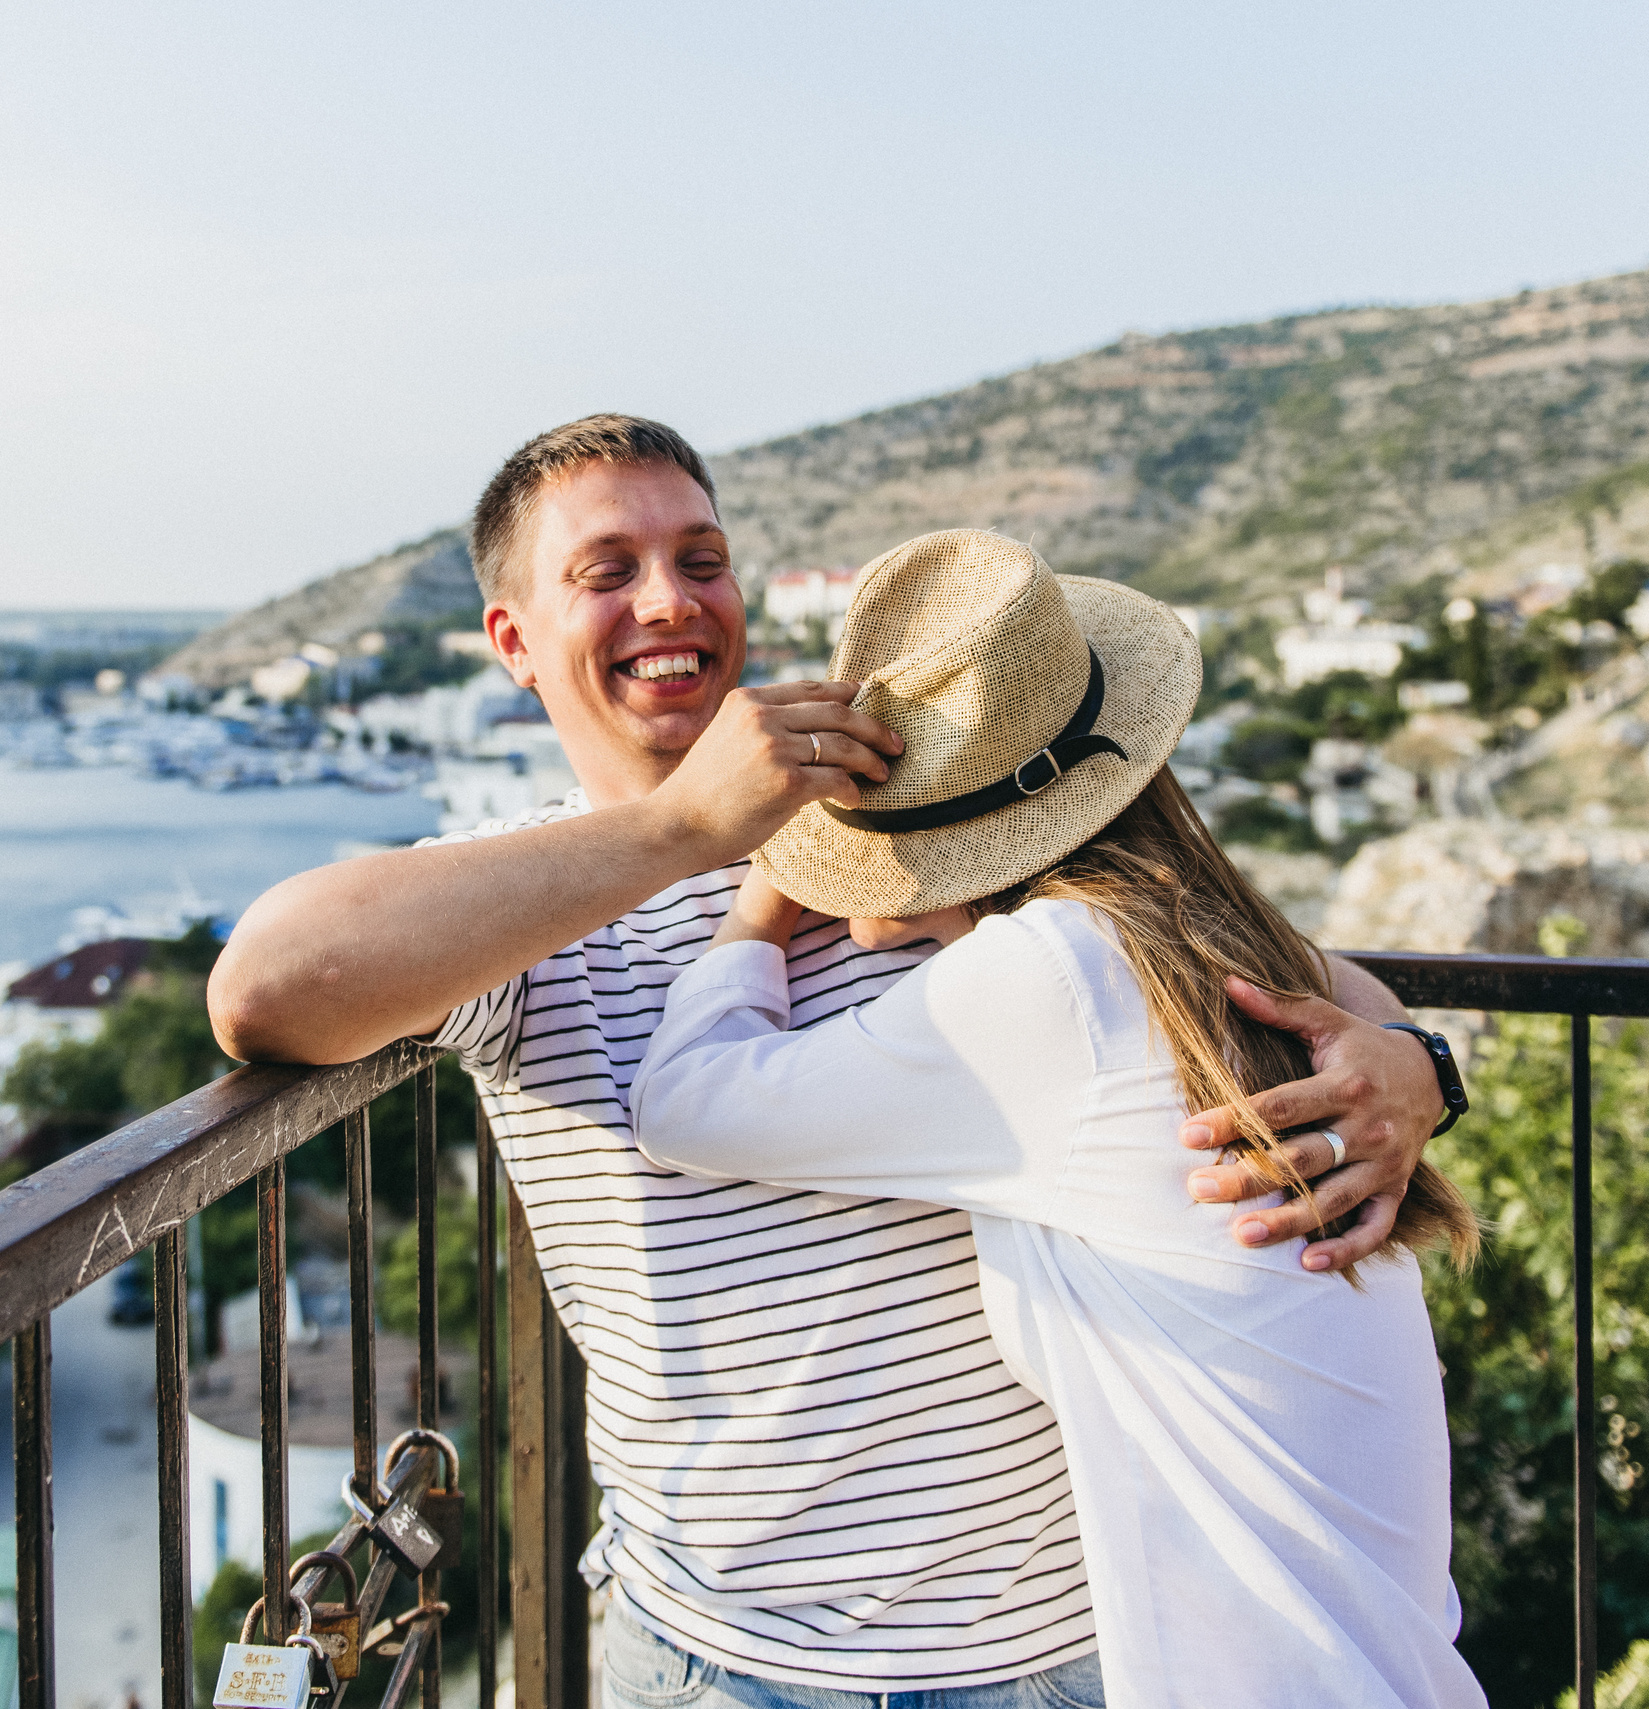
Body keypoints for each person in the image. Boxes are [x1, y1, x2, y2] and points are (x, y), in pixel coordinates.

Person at [209, 417, 1452, 1703]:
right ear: (514, 641)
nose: (667, 600)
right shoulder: (521, 910)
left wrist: (1413, 1061)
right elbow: (265, 991)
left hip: (1056, 1650)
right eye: (606, 570)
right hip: (719, 1658)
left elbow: (1242, 961)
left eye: (702, 558)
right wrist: (683, 828)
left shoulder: (918, 827)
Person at [629, 529, 1485, 1707]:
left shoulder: (1055, 975)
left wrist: (768, 891)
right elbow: (1351, 993)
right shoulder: (1180, 948)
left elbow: (685, 1102)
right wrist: (1422, 1060)